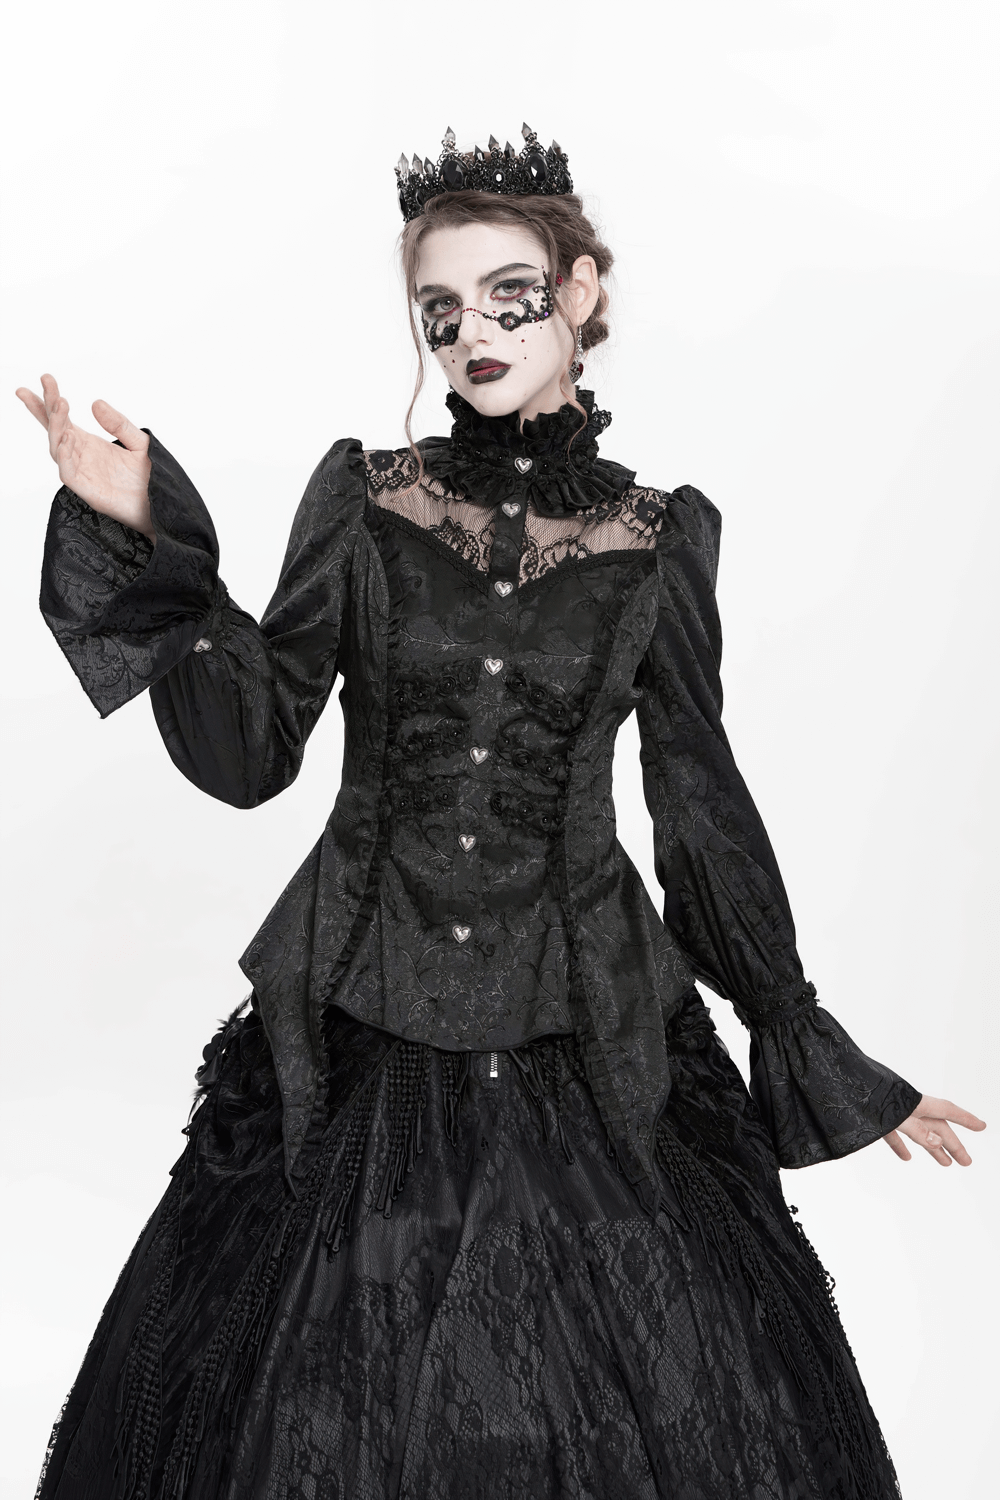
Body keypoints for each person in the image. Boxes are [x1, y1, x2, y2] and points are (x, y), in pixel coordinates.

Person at [18, 125, 984, 1500]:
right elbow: (250, 751)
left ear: (581, 290)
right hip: (358, 1014)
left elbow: (697, 799)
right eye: (440, 309)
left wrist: (797, 1029)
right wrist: (149, 543)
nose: (471, 331)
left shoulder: (662, 540)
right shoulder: (364, 501)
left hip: (590, 1022)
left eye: (507, 294)